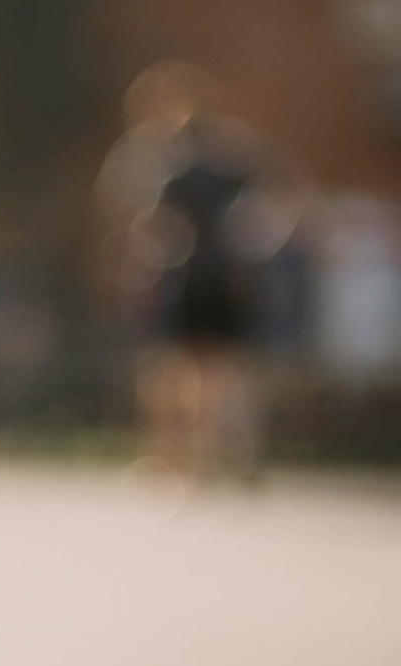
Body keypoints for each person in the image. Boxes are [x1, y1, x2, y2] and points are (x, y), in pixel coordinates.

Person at [100, 64, 301, 487]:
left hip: (184, 276)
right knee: (224, 369)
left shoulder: (169, 162)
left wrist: (140, 257)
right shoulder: (234, 153)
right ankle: (227, 456)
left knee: (178, 369)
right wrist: (257, 245)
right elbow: (280, 196)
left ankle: (186, 458)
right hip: (229, 274)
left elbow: (148, 221)